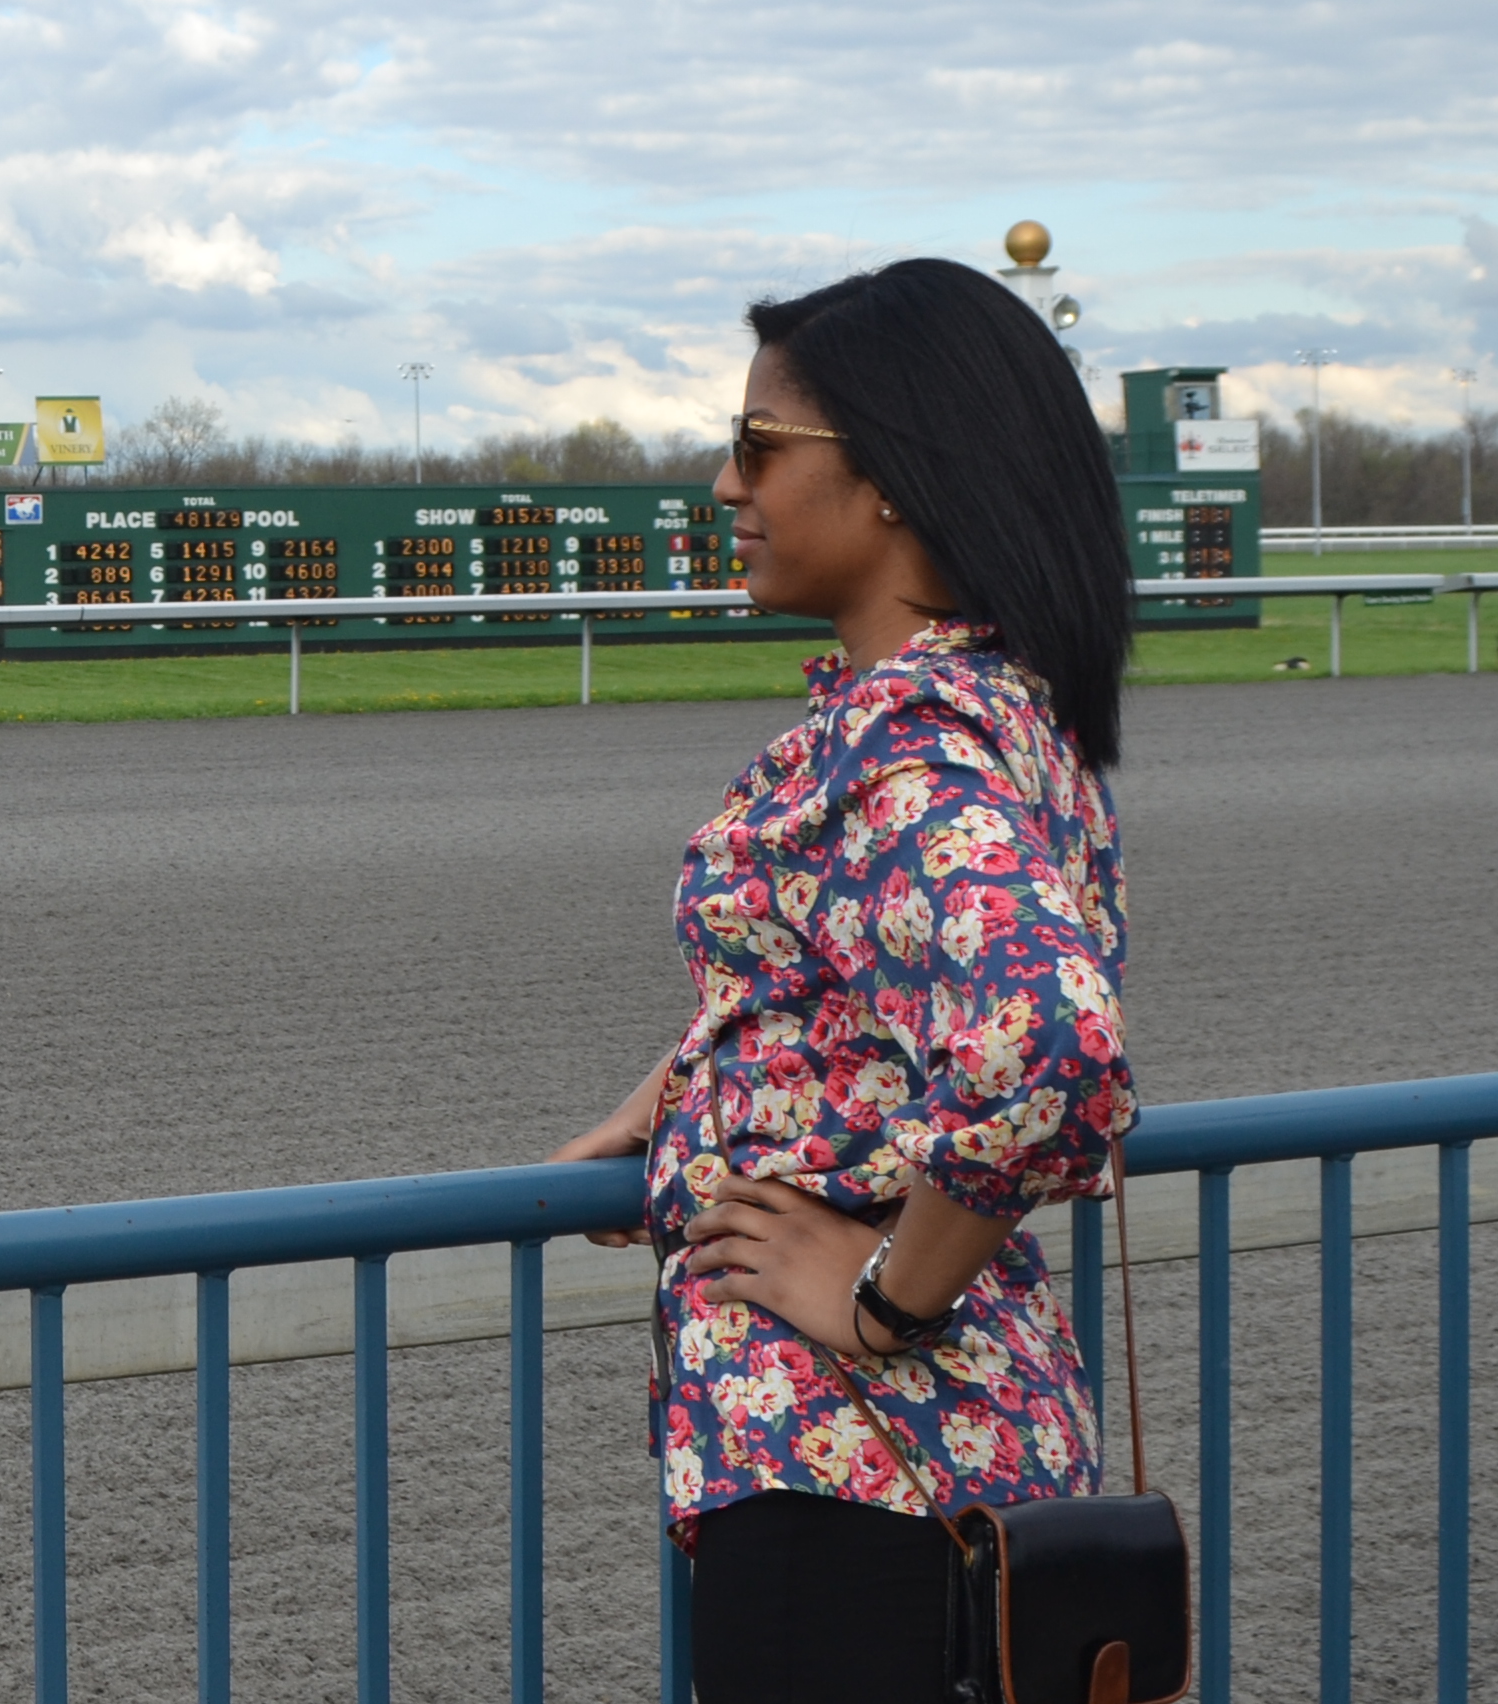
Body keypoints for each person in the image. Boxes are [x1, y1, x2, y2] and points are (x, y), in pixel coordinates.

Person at [549, 258, 1138, 1703]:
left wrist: (883, 1299)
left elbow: (1051, 1047)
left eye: (757, 445)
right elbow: (851, 981)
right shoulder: (1001, 709)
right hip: (964, 1465)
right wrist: (676, 1092)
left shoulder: (904, 748)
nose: (725, 483)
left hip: (851, 1488)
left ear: (889, 476)